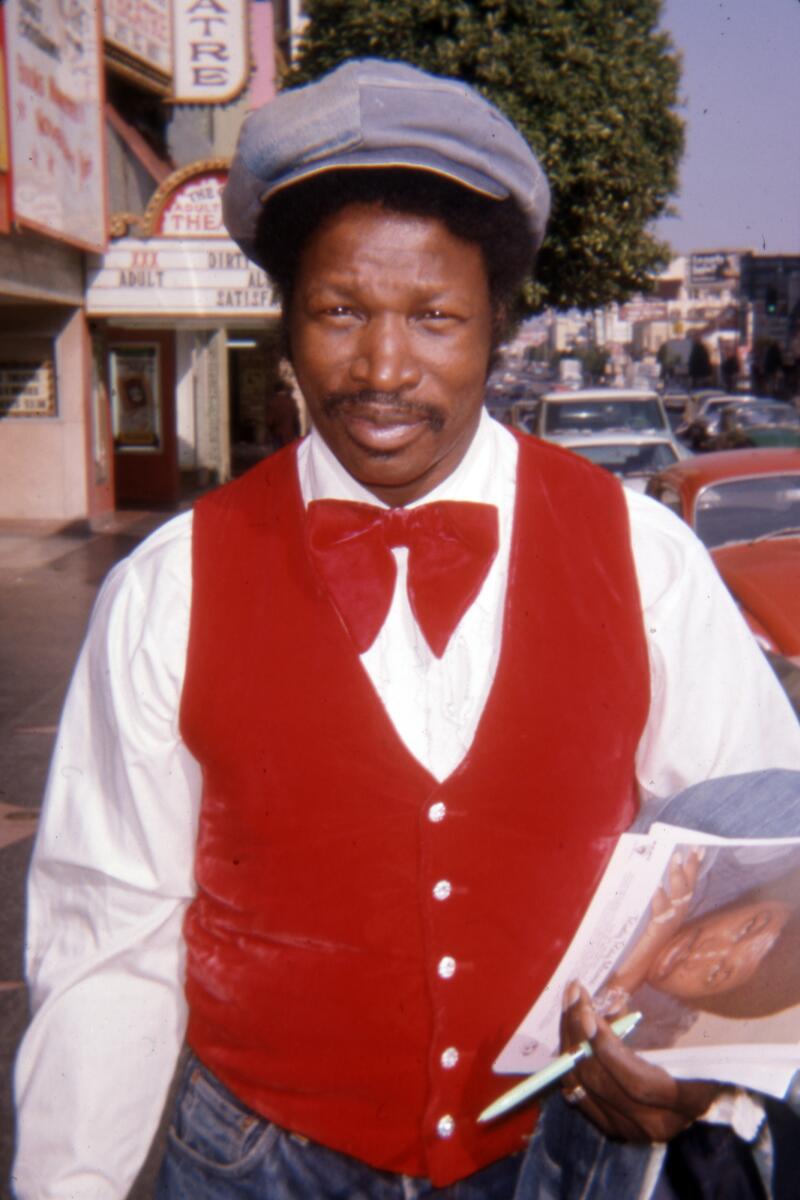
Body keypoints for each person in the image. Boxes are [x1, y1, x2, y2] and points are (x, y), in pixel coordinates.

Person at [12, 59, 800, 1200]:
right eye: (339, 312)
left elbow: (759, 844)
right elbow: (105, 938)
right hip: (253, 1165)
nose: (384, 370)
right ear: (284, 323)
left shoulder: (640, 556)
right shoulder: (169, 587)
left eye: (435, 318)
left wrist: (696, 1064)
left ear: (496, 328)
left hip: (550, 1160)